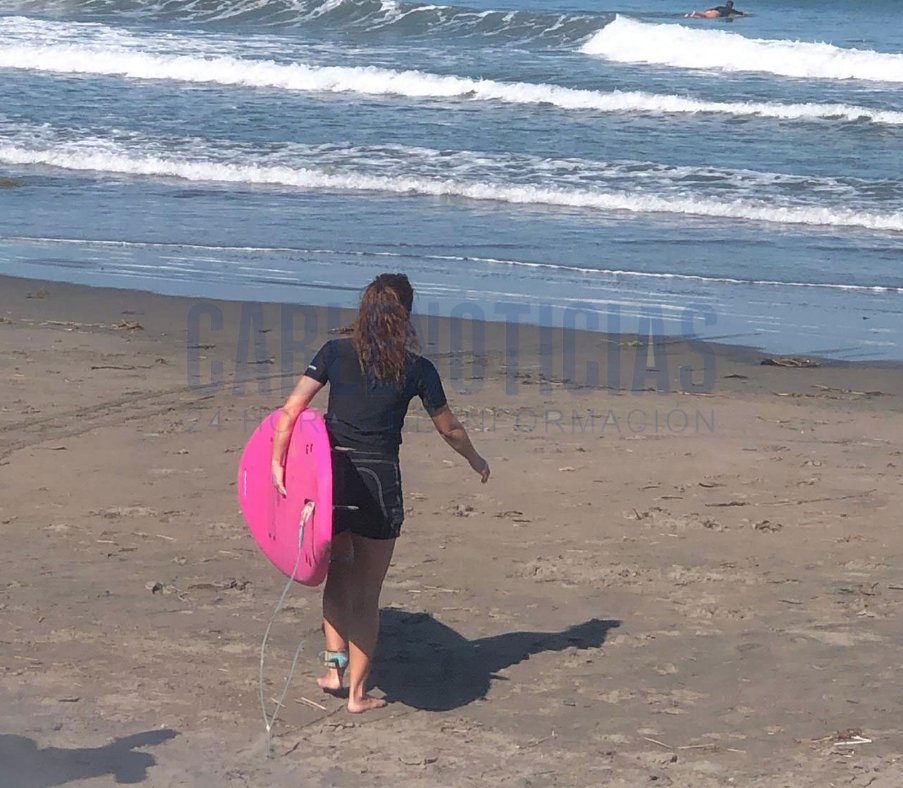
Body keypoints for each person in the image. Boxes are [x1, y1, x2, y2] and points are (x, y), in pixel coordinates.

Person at [271, 273, 490, 713]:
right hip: (378, 479)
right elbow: (448, 428)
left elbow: (291, 411)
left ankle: (334, 670)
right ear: (406, 315)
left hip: (331, 479)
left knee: (337, 573)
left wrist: (278, 462)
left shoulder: (334, 353)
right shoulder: (417, 368)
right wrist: (475, 459)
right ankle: (356, 694)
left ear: (364, 310)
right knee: (367, 591)